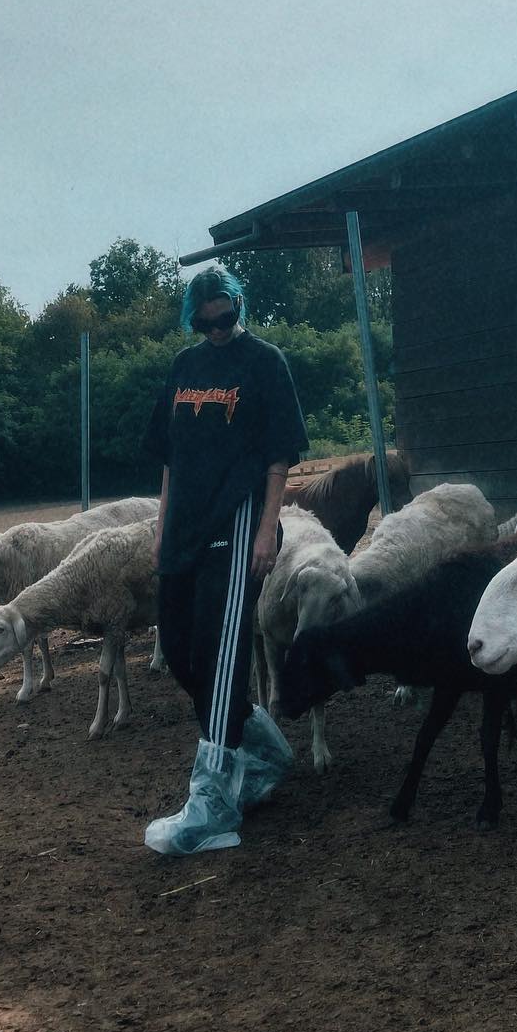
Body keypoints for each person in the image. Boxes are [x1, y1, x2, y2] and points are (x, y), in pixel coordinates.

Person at [141, 265, 308, 854]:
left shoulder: (264, 362)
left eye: (227, 316)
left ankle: (212, 806)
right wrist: (162, 529)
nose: (217, 328)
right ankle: (263, 750)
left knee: (220, 654)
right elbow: (167, 459)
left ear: (239, 306)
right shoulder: (183, 368)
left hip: (236, 524)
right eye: (206, 320)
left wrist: (267, 529)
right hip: (183, 526)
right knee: (184, 657)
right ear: (193, 315)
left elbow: (279, 455)